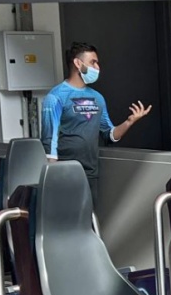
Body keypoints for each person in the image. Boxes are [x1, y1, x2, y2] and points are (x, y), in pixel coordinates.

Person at [40, 42, 152, 204]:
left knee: (88, 215)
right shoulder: (55, 97)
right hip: (64, 170)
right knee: (64, 215)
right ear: (78, 63)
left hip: (90, 171)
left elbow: (110, 135)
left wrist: (129, 122)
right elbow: (49, 139)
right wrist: (53, 173)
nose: (97, 67)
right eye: (93, 62)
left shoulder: (98, 98)